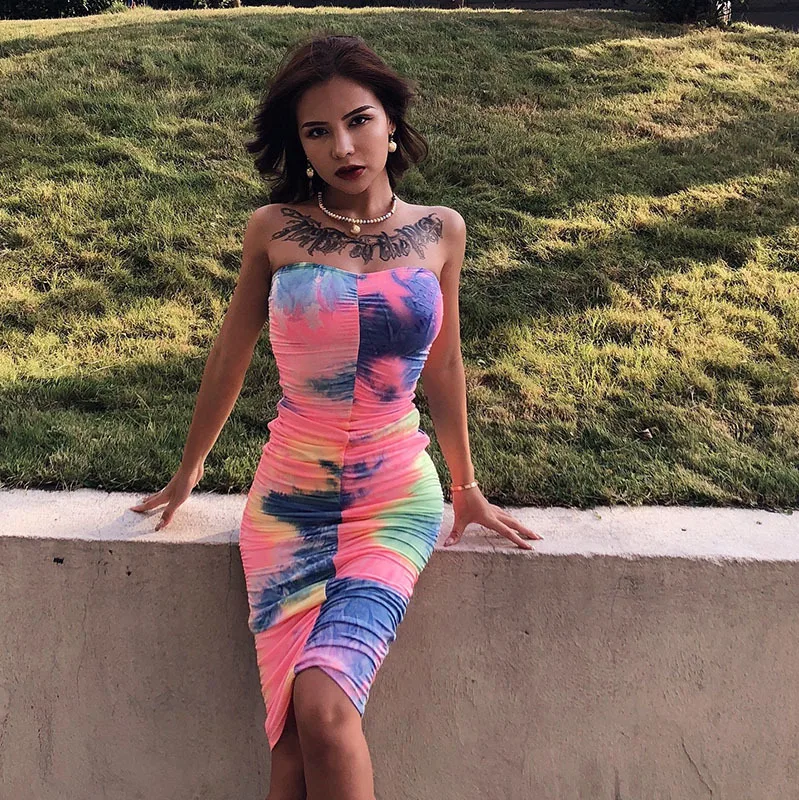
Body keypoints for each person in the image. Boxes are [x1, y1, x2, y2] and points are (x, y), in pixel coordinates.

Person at [130, 33, 543, 800]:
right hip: (288, 507)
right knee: (290, 747)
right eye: (318, 132)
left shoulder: (441, 230)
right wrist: (187, 473)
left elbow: (445, 365)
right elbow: (229, 357)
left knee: (322, 708)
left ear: (392, 122)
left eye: (359, 121)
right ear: (300, 145)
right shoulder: (274, 230)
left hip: (393, 501)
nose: (343, 148)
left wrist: (466, 487)